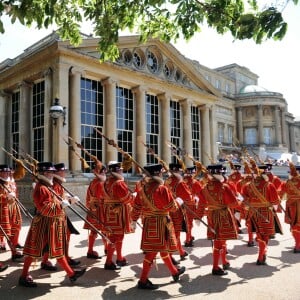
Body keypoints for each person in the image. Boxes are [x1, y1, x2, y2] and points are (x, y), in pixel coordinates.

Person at [18, 162, 86, 287]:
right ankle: (23, 276)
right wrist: (66, 203)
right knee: (34, 251)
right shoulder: (42, 188)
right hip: (44, 223)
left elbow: (56, 201)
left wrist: (66, 200)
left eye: (52, 172)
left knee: (56, 249)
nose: (52, 174)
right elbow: (46, 208)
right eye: (50, 172)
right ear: (44, 173)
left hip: (52, 223)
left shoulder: (47, 186)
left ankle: (71, 274)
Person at [131, 163, 185, 290]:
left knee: (162, 249)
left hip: (149, 222)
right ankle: (143, 280)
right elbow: (170, 207)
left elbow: (136, 207)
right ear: (157, 174)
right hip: (161, 223)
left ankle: (174, 272)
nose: (162, 174)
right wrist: (178, 202)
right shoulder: (162, 188)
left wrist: (133, 220)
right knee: (151, 253)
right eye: (161, 172)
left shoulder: (142, 189)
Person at [198, 164, 240, 276]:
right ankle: (215, 267)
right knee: (219, 242)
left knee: (220, 240)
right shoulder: (224, 187)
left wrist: (198, 216)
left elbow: (201, 204)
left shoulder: (204, 188)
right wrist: (239, 203)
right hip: (223, 215)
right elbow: (233, 203)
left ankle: (224, 261)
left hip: (211, 215)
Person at [241, 163, 283, 265]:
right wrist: (275, 209)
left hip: (253, 212)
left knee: (259, 234)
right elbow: (275, 201)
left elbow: (244, 200)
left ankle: (262, 253)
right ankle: (261, 254)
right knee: (265, 234)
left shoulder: (247, 185)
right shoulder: (269, 185)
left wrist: (248, 206)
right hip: (266, 212)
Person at [102, 161, 134, 270]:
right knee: (115, 238)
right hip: (118, 214)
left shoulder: (107, 182)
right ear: (117, 171)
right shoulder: (118, 183)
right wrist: (133, 196)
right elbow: (126, 199)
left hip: (110, 212)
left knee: (117, 237)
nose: (122, 171)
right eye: (120, 169)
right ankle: (109, 261)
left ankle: (120, 258)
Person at [53, 163, 81, 267]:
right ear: (57, 172)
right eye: (62, 171)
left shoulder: (58, 183)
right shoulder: (54, 184)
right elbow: (55, 200)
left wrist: (70, 199)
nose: (64, 173)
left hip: (61, 214)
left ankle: (66, 256)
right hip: (53, 215)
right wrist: (67, 201)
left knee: (67, 234)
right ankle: (45, 261)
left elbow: (62, 196)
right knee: (49, 239)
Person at [164, 163, 190, 261]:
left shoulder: (166, 181)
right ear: (178, 171)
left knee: (170, 232)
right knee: (176, 233)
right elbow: (188, 197)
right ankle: (170, 256)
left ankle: (181, 251)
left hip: (167, 210)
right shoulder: (180, 182)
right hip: (177, 210)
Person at [83, 161, 107, 259]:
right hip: (100, 209)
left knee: (94, 230)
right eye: (104, 171)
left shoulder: (93, 181)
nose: (105, 173)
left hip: (93, 208)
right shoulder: (101, 183)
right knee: (104, 231)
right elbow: (102, 196)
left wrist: (89, 206)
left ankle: (90, 250)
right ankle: (107, 248)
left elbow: (88, 197)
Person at [0, 164, 24, 261]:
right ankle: (14, 252)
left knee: (16, 228)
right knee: (6, 232)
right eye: (3, 172)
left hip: (14, 207)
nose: (6, 174)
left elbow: (19, 175)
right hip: (3, 208)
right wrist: (6, 197)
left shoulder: (10, 181)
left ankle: (14, 247)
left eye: (7, 172)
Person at [281, 162, 300, 253]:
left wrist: (275, 203)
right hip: (294, 205)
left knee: (294, 225)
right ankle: (298, 244)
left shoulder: (287, 182)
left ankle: (297, 244)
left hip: (291, 206)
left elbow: (280, 193)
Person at [182, 165, 204, 245]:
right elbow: (201, 194)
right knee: (189, 223)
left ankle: (189, 236)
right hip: (190, 204)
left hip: (180, 204)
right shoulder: (195, 183)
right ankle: (188, 240)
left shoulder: (181, 181)